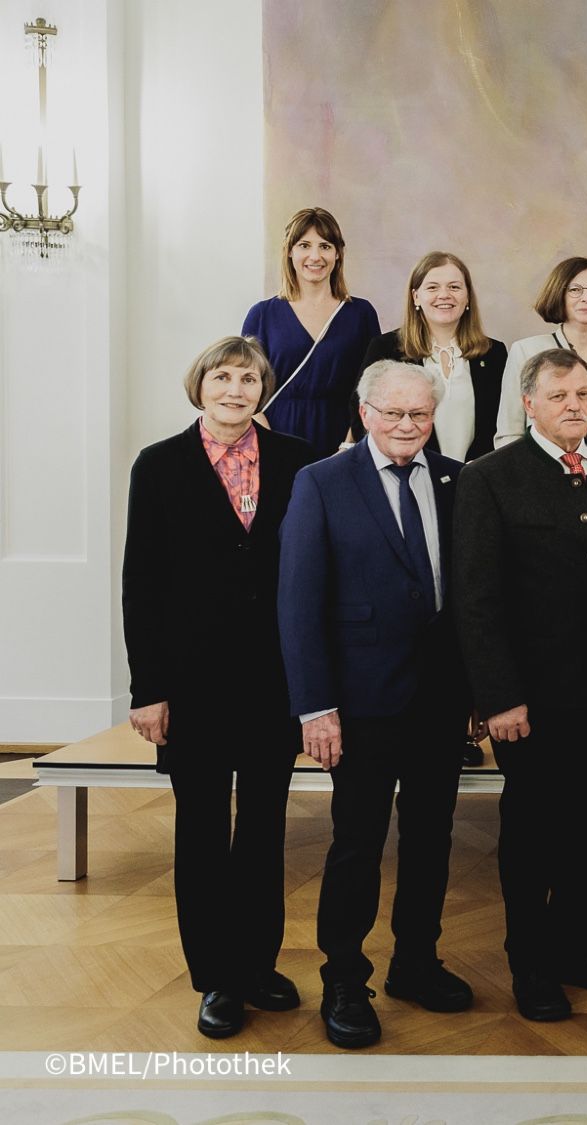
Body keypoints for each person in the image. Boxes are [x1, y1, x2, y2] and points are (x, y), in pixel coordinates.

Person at [278, 360, 474, 1049]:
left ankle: (415, 962)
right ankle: (344, 977)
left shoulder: (456, 480)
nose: (406, 426)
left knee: (431, 838)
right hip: (358, 702)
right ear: (364, 413)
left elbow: (470, 598)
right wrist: (314, 707)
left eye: (419, 414)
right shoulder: (322, 482)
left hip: (441, 701)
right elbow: (297, 604)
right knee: (357, 842)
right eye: (392, 413)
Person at [122, 336, 314, 1040]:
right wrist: (148, 689)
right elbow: (140, 583)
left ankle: (257, 963)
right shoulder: (160, 465)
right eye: (222, 376)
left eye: (248, 378)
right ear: (200, 384)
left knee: (265, 828)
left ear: (264, 388)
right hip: (192, 684)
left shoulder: (300, 461)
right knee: (202, 829)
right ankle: (216, 978)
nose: (235, 388)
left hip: (274, 681)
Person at [453, 348, 587, 1022]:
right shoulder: (491, 478)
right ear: (528, 404)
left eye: (583, 394)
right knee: (533, 828)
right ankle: (530, 963)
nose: (574, 405)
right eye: (558, 395)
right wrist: (497, 694)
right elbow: (475, 600)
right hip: (527, 699)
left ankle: (577, 944)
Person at [242, 206, 381, 459]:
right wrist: (272, 445)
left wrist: (349, 445)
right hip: (276, 435)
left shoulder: (361, 314)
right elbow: (246, 384)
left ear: (338, 254)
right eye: (304, 245)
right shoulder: (262, 314)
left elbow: (373, 387)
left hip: (343, 437)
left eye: (325, 246)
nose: (315, 256)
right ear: (290, 252)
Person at [361, 251, 508, 465]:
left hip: (476, 480)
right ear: (416, 297)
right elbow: (363, 418)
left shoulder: (494, 353)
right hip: (411, 473)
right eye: (432, 287)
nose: (444, 295)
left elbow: (504, 424)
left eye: (454, 287)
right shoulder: (385, 348)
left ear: (467, 297)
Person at [497, 257, 587, 455]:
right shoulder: (526, 352)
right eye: (575, 290)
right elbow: (509, 433)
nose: (586, 298)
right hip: (547, 480)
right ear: (559, 294)